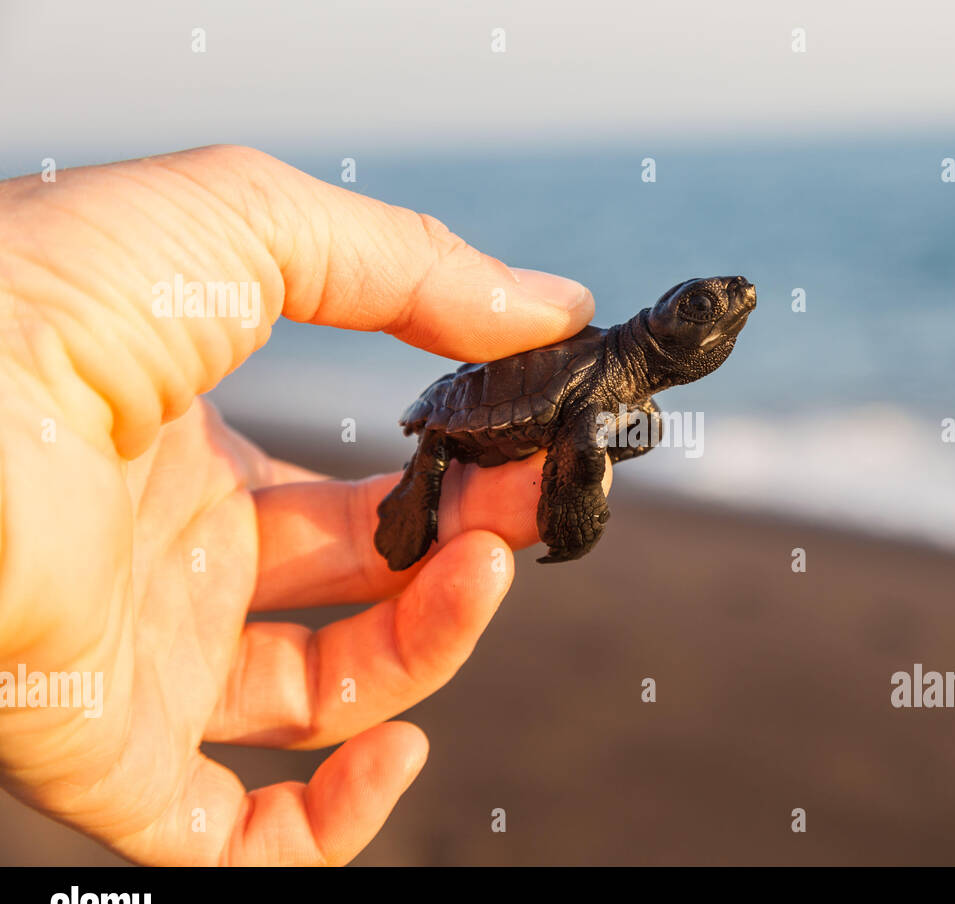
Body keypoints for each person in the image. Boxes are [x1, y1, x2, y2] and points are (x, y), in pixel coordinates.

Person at [0, 145, 607, 865]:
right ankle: (421, 493)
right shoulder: (601, 372)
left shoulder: (617, 389)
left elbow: (596, 434)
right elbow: (583, 442)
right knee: (475, 474)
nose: (732, 308)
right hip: (455, 423)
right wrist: (27, 344)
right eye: (702, 305)